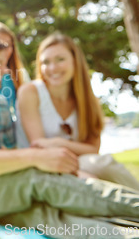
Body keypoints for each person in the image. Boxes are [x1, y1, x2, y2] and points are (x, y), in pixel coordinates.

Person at [0, 32, 139, 237]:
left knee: (41, 213)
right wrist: (38, 159)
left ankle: (127, 233)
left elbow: (10, 154)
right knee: (35, 179)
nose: (5, 71)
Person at [16, 33, 139, 190]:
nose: (53, 68)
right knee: (98, 171)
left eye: (60, 59)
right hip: (39, 166)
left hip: (77, 163)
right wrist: (80, 169)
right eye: (46, 62)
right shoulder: (30, 92)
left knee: (102, 164)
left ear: (75, 61)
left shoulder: (87, 99)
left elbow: (94, 149)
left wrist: (57, 143)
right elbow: (39, 147)